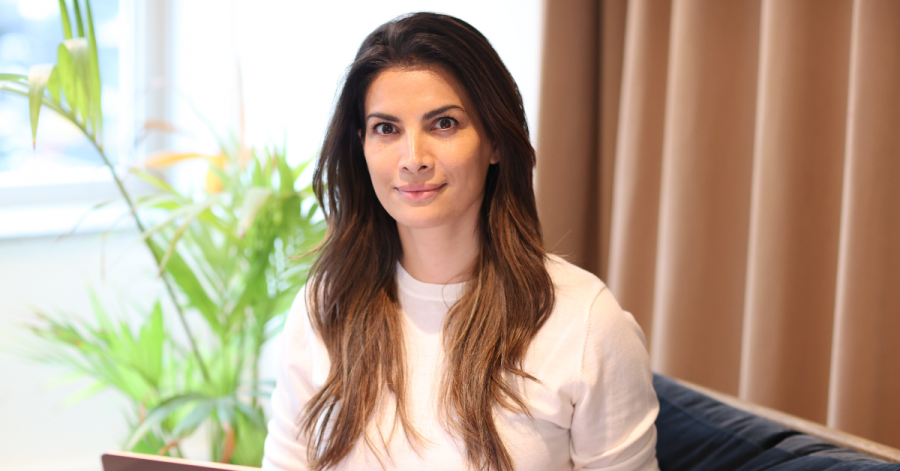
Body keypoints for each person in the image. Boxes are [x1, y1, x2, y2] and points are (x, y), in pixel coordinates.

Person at [262, 12, 659, 471]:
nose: (413, 159)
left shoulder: (586, 322)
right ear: (362, 146)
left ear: (495, 141)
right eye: (386, 129)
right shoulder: (323, 308)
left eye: (444, 124)